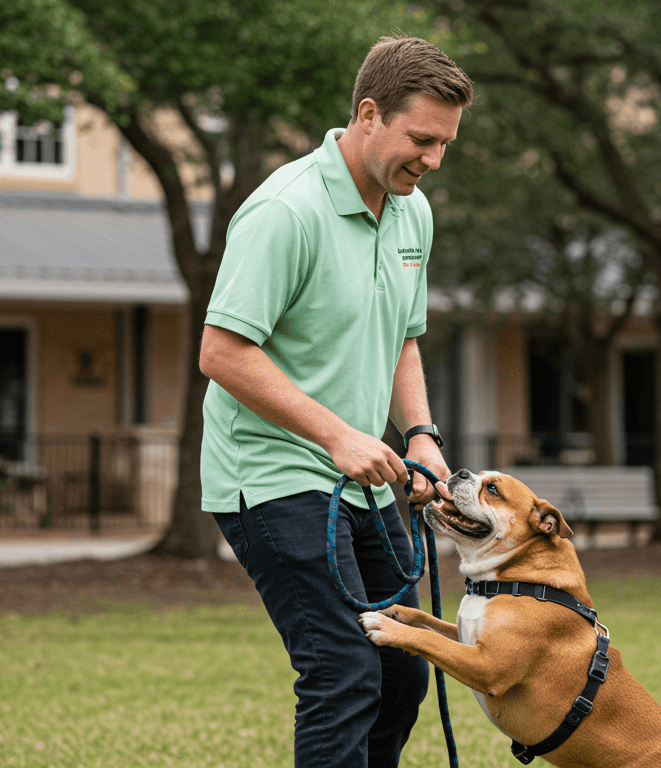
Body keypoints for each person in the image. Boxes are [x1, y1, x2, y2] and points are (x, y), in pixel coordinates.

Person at [198, 36, 474, 768]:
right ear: (368, 114)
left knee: (401, 669)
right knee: (345, 668)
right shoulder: (286, 211)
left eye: (445, 144)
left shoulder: (411, 213)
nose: (433, 160)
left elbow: (402, 339)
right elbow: (221, 352)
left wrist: (419, 433)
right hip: (273, 474)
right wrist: (336, 436)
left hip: (363, 478)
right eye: (422, 139)